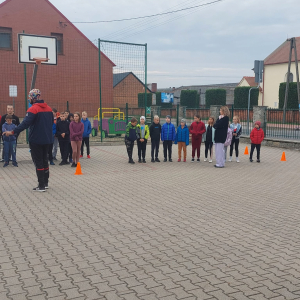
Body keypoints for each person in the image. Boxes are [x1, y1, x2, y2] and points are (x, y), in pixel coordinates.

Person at [4, 89, 53, 191]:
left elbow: (24, 124)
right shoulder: (48, 108)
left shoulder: (33, 109)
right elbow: (51, 122)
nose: (29, 99)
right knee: (45, 160)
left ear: (32, 98)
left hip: (36, 140)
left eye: (29, 97)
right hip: (48, 139)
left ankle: (41, 186)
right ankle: (45, 183)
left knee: (38, 161)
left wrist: (12, 132)